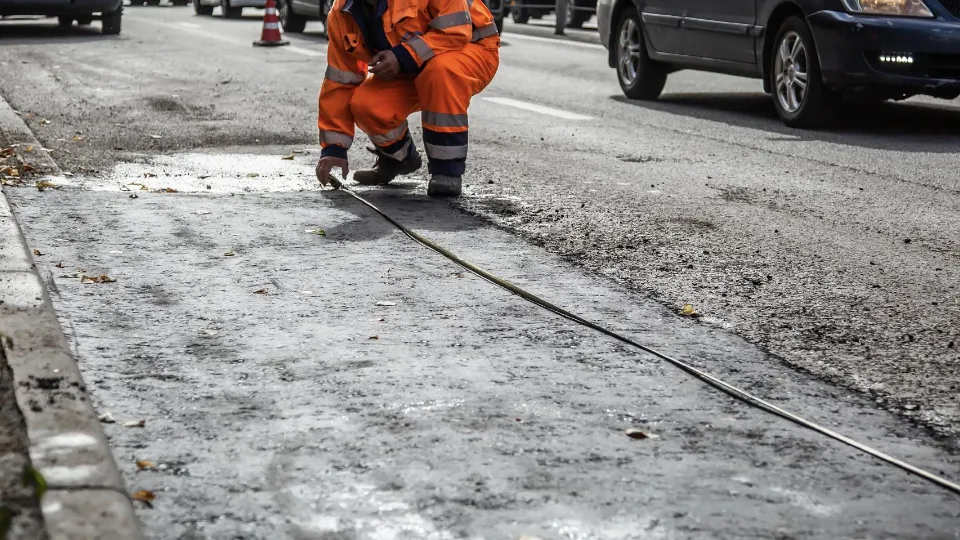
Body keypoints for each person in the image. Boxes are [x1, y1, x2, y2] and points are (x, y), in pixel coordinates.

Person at [314, 0, 500, 197]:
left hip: (472, 48)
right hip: (413, 64)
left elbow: (456, 31)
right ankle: (399, 158)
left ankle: (446, 173)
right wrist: (334, 149)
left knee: (440, 72)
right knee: (366, 105)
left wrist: (403, 56)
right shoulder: (341, 13)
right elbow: (341, 80)